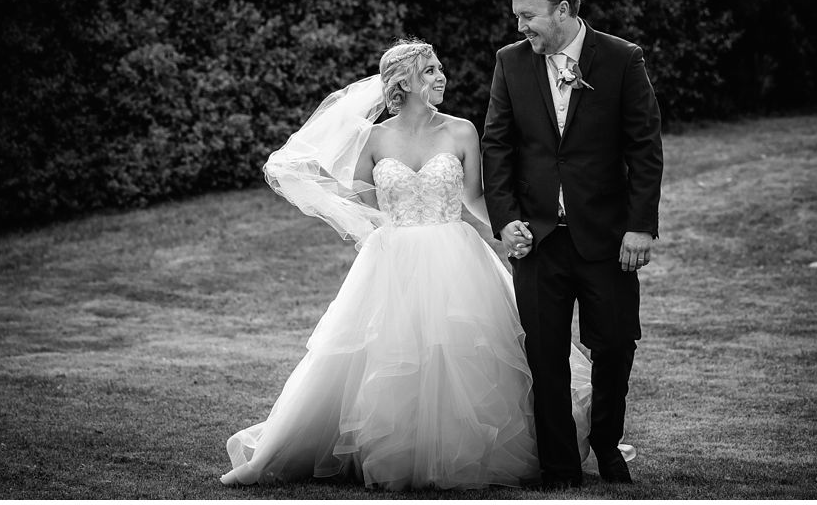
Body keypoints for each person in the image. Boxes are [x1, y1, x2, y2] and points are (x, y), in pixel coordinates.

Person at [220, 39, 633, 491]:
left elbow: (476, 197)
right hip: (393, 259)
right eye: (432, 70)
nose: (442, 77)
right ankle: (290, 452)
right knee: (384, 357)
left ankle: (471, 454)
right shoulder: (375, 139)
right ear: (405, 82)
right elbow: (363, 197)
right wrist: (383, 227)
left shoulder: (462, 132)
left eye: (440, 68)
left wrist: (508, 226)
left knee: (463, 354)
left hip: (454, 256)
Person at [482, 0, 663, 486]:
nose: (521, 27)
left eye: (529, 16)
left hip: (608, 238)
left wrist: (640, 225)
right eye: (517, 17)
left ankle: (607, 448)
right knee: (544, 355)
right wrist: (507, 221)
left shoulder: (621, 59)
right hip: (537, 239)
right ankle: (560, 466)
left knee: (613, 346)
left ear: (563, 9)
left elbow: (644, 147)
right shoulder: (511, 62)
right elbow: (498, 146)